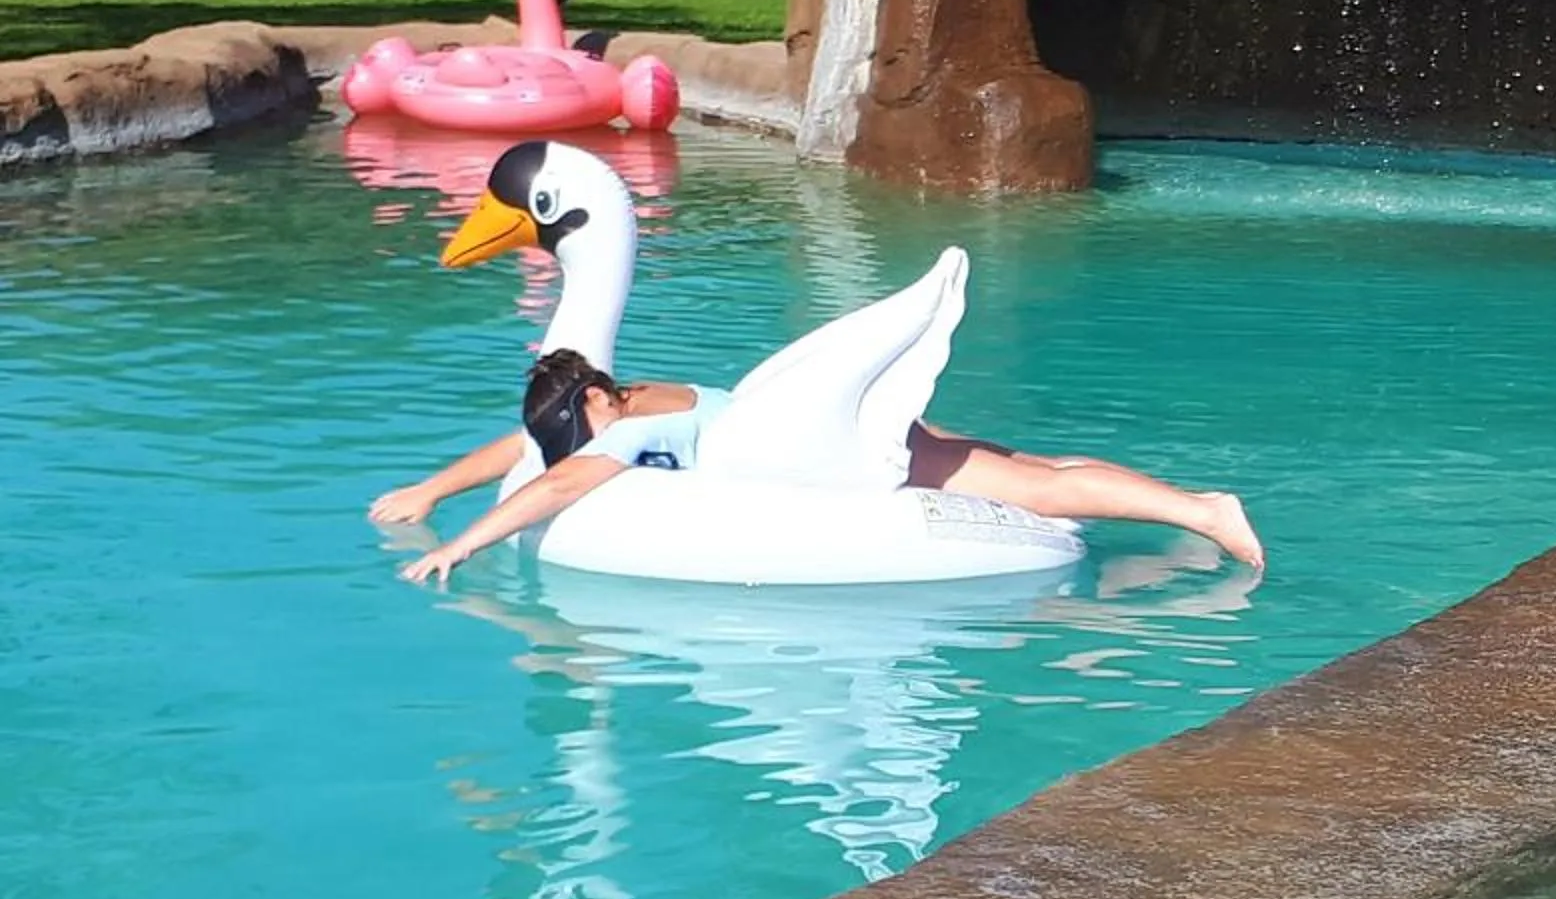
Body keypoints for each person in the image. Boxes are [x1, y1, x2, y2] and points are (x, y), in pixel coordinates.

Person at [386, 348, 1263, 586]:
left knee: (1043, 485)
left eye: (576, 430)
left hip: (852, 454)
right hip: (851, 434)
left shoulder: (617, 438)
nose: (581, 447)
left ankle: (1205, 512)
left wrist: (459, 546)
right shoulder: (644, 395)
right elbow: (528, 454)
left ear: (593, 407)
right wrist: (433, 490)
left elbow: (554, 482)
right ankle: (1187, 518)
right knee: (1033, 466)